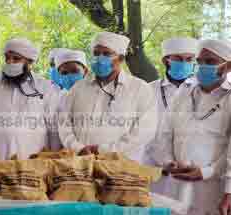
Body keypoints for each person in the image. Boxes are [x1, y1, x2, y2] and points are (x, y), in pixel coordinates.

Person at [149, 39, 231, 215]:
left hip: (212, 188)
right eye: (200, 61)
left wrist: (206, 172)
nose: (202, 66)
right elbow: (165, 133)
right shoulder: (184, 92)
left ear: (228, 66)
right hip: (176, 185)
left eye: (210, 62)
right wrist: (168, 161)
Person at [59, 32, 157, 162]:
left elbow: (145, 131)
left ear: (121, 58)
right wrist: (78, 148)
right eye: (96, 53)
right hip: (81, 164)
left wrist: (104, 150)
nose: (99, 58)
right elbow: (63, 122)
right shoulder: (78, 88)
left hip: (121, 166)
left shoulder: (140, 89)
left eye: (106, 54)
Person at [0, 38, 60, 160]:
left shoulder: (45, 87)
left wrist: (53, 157)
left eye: (16, 59)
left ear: (29, 62)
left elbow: (53, 129)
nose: (10, 62)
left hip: (32, 162)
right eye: (7, 58)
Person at [145, 37, 198, 198]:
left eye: (189, 59)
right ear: (166, 60)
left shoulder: (201, 90)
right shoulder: (149, 90)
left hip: (192, 169)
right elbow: (143, 132)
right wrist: (165, 160)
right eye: (179, 59)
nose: (184, 63)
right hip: (155, 168)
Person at [51, 49, 90, 150]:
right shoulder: (60, 99)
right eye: (64, 73)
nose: (69, 76)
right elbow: (62, 132)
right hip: (70, 153)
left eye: (74, 71)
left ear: (85, 71)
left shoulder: (98, 94)